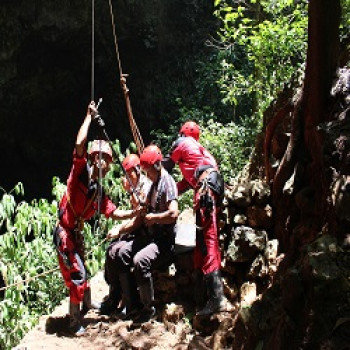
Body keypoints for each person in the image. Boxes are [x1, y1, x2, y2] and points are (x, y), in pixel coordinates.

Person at [53, 102, 141, 335]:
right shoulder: (80, 173)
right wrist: (88, 117)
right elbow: (79, 144)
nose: (102, 162)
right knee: (77, 274)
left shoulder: (99, 193)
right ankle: (73, 322)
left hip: (75, 233)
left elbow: (113, 212)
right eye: (99, 157)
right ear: (93, 159)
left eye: (106, 160)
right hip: (64, 232)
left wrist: (135, 213)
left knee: (84, 273)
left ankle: (86, 306)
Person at [162, 121, 227, 316]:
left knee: (208, 242)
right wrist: (171, 192)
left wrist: (150, 164)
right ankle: (201, 297)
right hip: (210, 188)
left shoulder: (182, 143)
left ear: (182, 133)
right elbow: (183, 184)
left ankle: (217, 299)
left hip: (205, 190)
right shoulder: (199, 153)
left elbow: (164, 166)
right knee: (203, 242)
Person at [114, 144, 179, 325]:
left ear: (157, 166)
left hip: (164, 241)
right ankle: (131, 304)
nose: (147, 175)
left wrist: (155, 218)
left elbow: (174, 213)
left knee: (140, 260)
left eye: (148, 171)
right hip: (151, 237)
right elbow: (145, 206)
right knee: (121, 253)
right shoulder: (155, 184)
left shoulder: (167, 183)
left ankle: (148, 308)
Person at [100, 153, 151, 315]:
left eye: (130, 174)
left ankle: (132, 303)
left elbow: (139, 218)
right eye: (126, 175)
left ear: (138, 171)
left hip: (147, 233)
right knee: (111, 250)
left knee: (121, 253)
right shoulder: (135, 186)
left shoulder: (146, 187)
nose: (128, 178)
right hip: (137, 231)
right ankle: (115, 297)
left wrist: (120, 229)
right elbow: (134, 215)